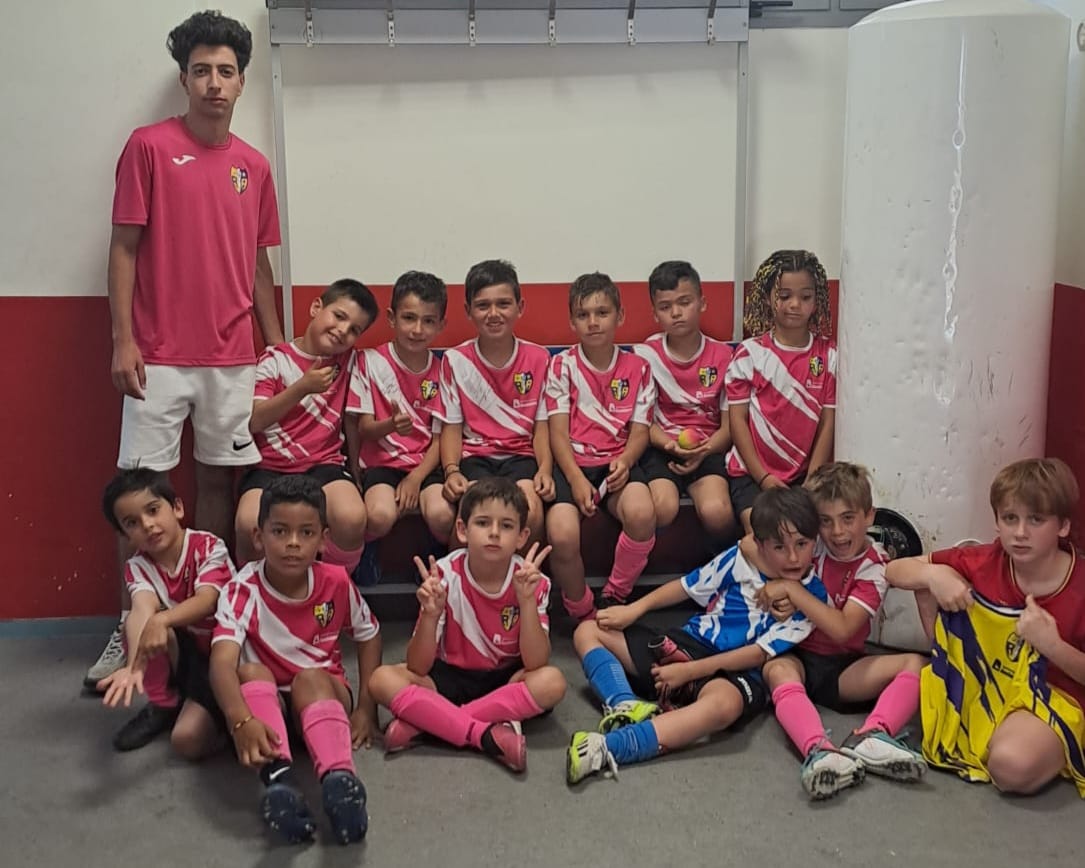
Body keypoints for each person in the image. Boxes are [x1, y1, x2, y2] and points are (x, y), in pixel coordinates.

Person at [90, 10, 282, 689]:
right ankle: (131, 625)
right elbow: (123, 247)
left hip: (232, 357)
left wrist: (276, 346)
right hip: (158, 356)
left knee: (215, 484)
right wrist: (123, 339)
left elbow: (259, 263)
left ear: (241, 81)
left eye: (226, 71)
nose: (214, 83)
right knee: (140, 495)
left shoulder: (254, 166)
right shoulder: (147, 147)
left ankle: (213, 619)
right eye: (201, 71)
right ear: (184, 78)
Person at [566, 487, 828, 784]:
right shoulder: (740, 559)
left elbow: (757, 654)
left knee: (724, 706)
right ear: (759, 544)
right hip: (691, 643)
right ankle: (625, 705)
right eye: (779, 547)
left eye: (802, 544)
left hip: (737, 671)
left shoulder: (813, 598)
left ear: (815, 541)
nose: (793, 557)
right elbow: (687, 586)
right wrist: (634, 610)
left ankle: (611, 747)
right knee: (588, 630)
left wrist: (688, 672)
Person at [886, 457, 1085, 797]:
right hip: (989, 681)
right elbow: (893, 570)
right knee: (929, 582)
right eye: (1010, 518)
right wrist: (933, 574)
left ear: (1063, 526)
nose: (1020, 533)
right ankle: (954, 687)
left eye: (1036, 520)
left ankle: (1047, 742)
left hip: (1056, 696)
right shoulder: (987, 560)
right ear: (997, 522)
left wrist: (1053, 646)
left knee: (1010, 765)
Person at [210, 476, 382, 844]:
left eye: (306, 533)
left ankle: (340, 782)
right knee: (249, 670)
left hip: (323, 696)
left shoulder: (336, 581)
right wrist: (241, 721)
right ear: (259, 537)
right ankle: (280, 782)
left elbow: (369, 634)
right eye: (280, 531)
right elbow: (221, 663)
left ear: (323, 540)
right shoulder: (241, 589)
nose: (293, 543)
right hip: (266, 707)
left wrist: (367, 708)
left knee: (309, 677)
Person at [368, 478, 567, 771]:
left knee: (552, 682)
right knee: (381, 680)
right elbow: (418, 666)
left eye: (507, 526)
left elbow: (536, 662)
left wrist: (526, 602)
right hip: (449, 676)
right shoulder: (443, 575)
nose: (494, 533)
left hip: (505, 680)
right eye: (483, 523)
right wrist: (430, 615)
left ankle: (431, 723)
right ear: (462, 529)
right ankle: (484, 733)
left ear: (522, 536)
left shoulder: (532, 581)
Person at [755, 462, 927, 800]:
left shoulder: (874, 566)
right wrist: (776, 584)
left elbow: (843, 629)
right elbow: (750, 544)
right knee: (777, 669)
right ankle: (819, 750)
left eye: (848, 518)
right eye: (826, 521)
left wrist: (792, 591)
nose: (837, 532)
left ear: (869, 516)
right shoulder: (810, 543)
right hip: (795, 651)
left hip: (843, 668)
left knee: (917, 664)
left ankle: (873, 735)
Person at [235, 278, 378, 577]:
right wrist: (302, 387)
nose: (343, 330)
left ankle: (334, 585)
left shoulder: (350, 361)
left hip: (323, 464)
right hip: (270, 467)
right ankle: (254, 590)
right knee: (248, 523)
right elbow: (255, 420)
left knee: (352, 516)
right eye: (339, 316)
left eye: (355, 329)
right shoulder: (275, 359)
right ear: (316, 307)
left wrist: (355, 469)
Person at [97, 468, 234, 756]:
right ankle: (164, 703)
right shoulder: (138, 566)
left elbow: (207, 600)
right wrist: (133, 666)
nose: (147, 525)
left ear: (177, 508)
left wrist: (161, 619)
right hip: (190, 657)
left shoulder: (208, 546)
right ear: (125, 535)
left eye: (153, 510)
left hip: (228, 656)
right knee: (136, 625)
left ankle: (224, 715)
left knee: (188, 739)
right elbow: (141, 610)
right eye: (132, 523)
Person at [545, 272, 658, 619]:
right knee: (562, 534)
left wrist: (626, 461)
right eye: (583, 315)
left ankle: (614, 596)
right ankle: (580, 608)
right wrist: (575, 479)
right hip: (572, 465)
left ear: (620, 316)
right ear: (572, 321)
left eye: (602, 312)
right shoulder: (561, 366)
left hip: (616, 463)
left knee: (642, 513)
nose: (593, 322)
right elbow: (557, 434)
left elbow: (640, 431)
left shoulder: (639, 367)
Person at [434, 260, 555, 545]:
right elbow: (452, 427)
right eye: (482, 305)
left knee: (531, 511)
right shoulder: (455, 360)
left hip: (522, 458)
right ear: (468, 311)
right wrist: (451, 470)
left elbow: (541, 427)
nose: (493, 314)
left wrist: (545, 470)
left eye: (503, 304)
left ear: (520, 307)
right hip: (475, 458)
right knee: (474, 515)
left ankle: (522, 573)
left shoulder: (539, 358)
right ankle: (456, 572)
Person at [347, 271, 456, 584]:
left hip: (425, 466)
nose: (417, 330)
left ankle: (436, 557)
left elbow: (441, 438)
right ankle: (367, 550)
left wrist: (415, 478)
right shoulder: (369, 362)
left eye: (428, 321)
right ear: (392, 318)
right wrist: (390, 425)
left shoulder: (444, 368)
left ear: (441, 325)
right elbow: (363, 429)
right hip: (381, 466)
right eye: (409, 318)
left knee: (443, 515)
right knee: (379, 516)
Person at [725, 250, 836, 534]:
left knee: (808, 537)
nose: (795, 305)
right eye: (784, 296)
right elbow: (737, 421)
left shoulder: (829, 355)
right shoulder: (750, 354)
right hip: (751, 474)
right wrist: (763, 477)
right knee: (765, 536)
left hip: (805, 478)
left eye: (805, 296)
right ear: (767, 297)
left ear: (817, 300)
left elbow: (828, 422)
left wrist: (811, 482)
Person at [633, 260, 736, 547]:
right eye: (665, 307)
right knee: (662, 508)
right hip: (662, 448)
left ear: (702, 302)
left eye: (684, 302)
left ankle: (724, 565)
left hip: (709, 448)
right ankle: (635, 570)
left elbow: (730, 427)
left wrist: (705, 450)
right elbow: (643, 424)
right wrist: (669, 445)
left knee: (717, 512)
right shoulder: (645, 355)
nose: (676, 313)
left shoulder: (724, 356)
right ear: (654, 313)